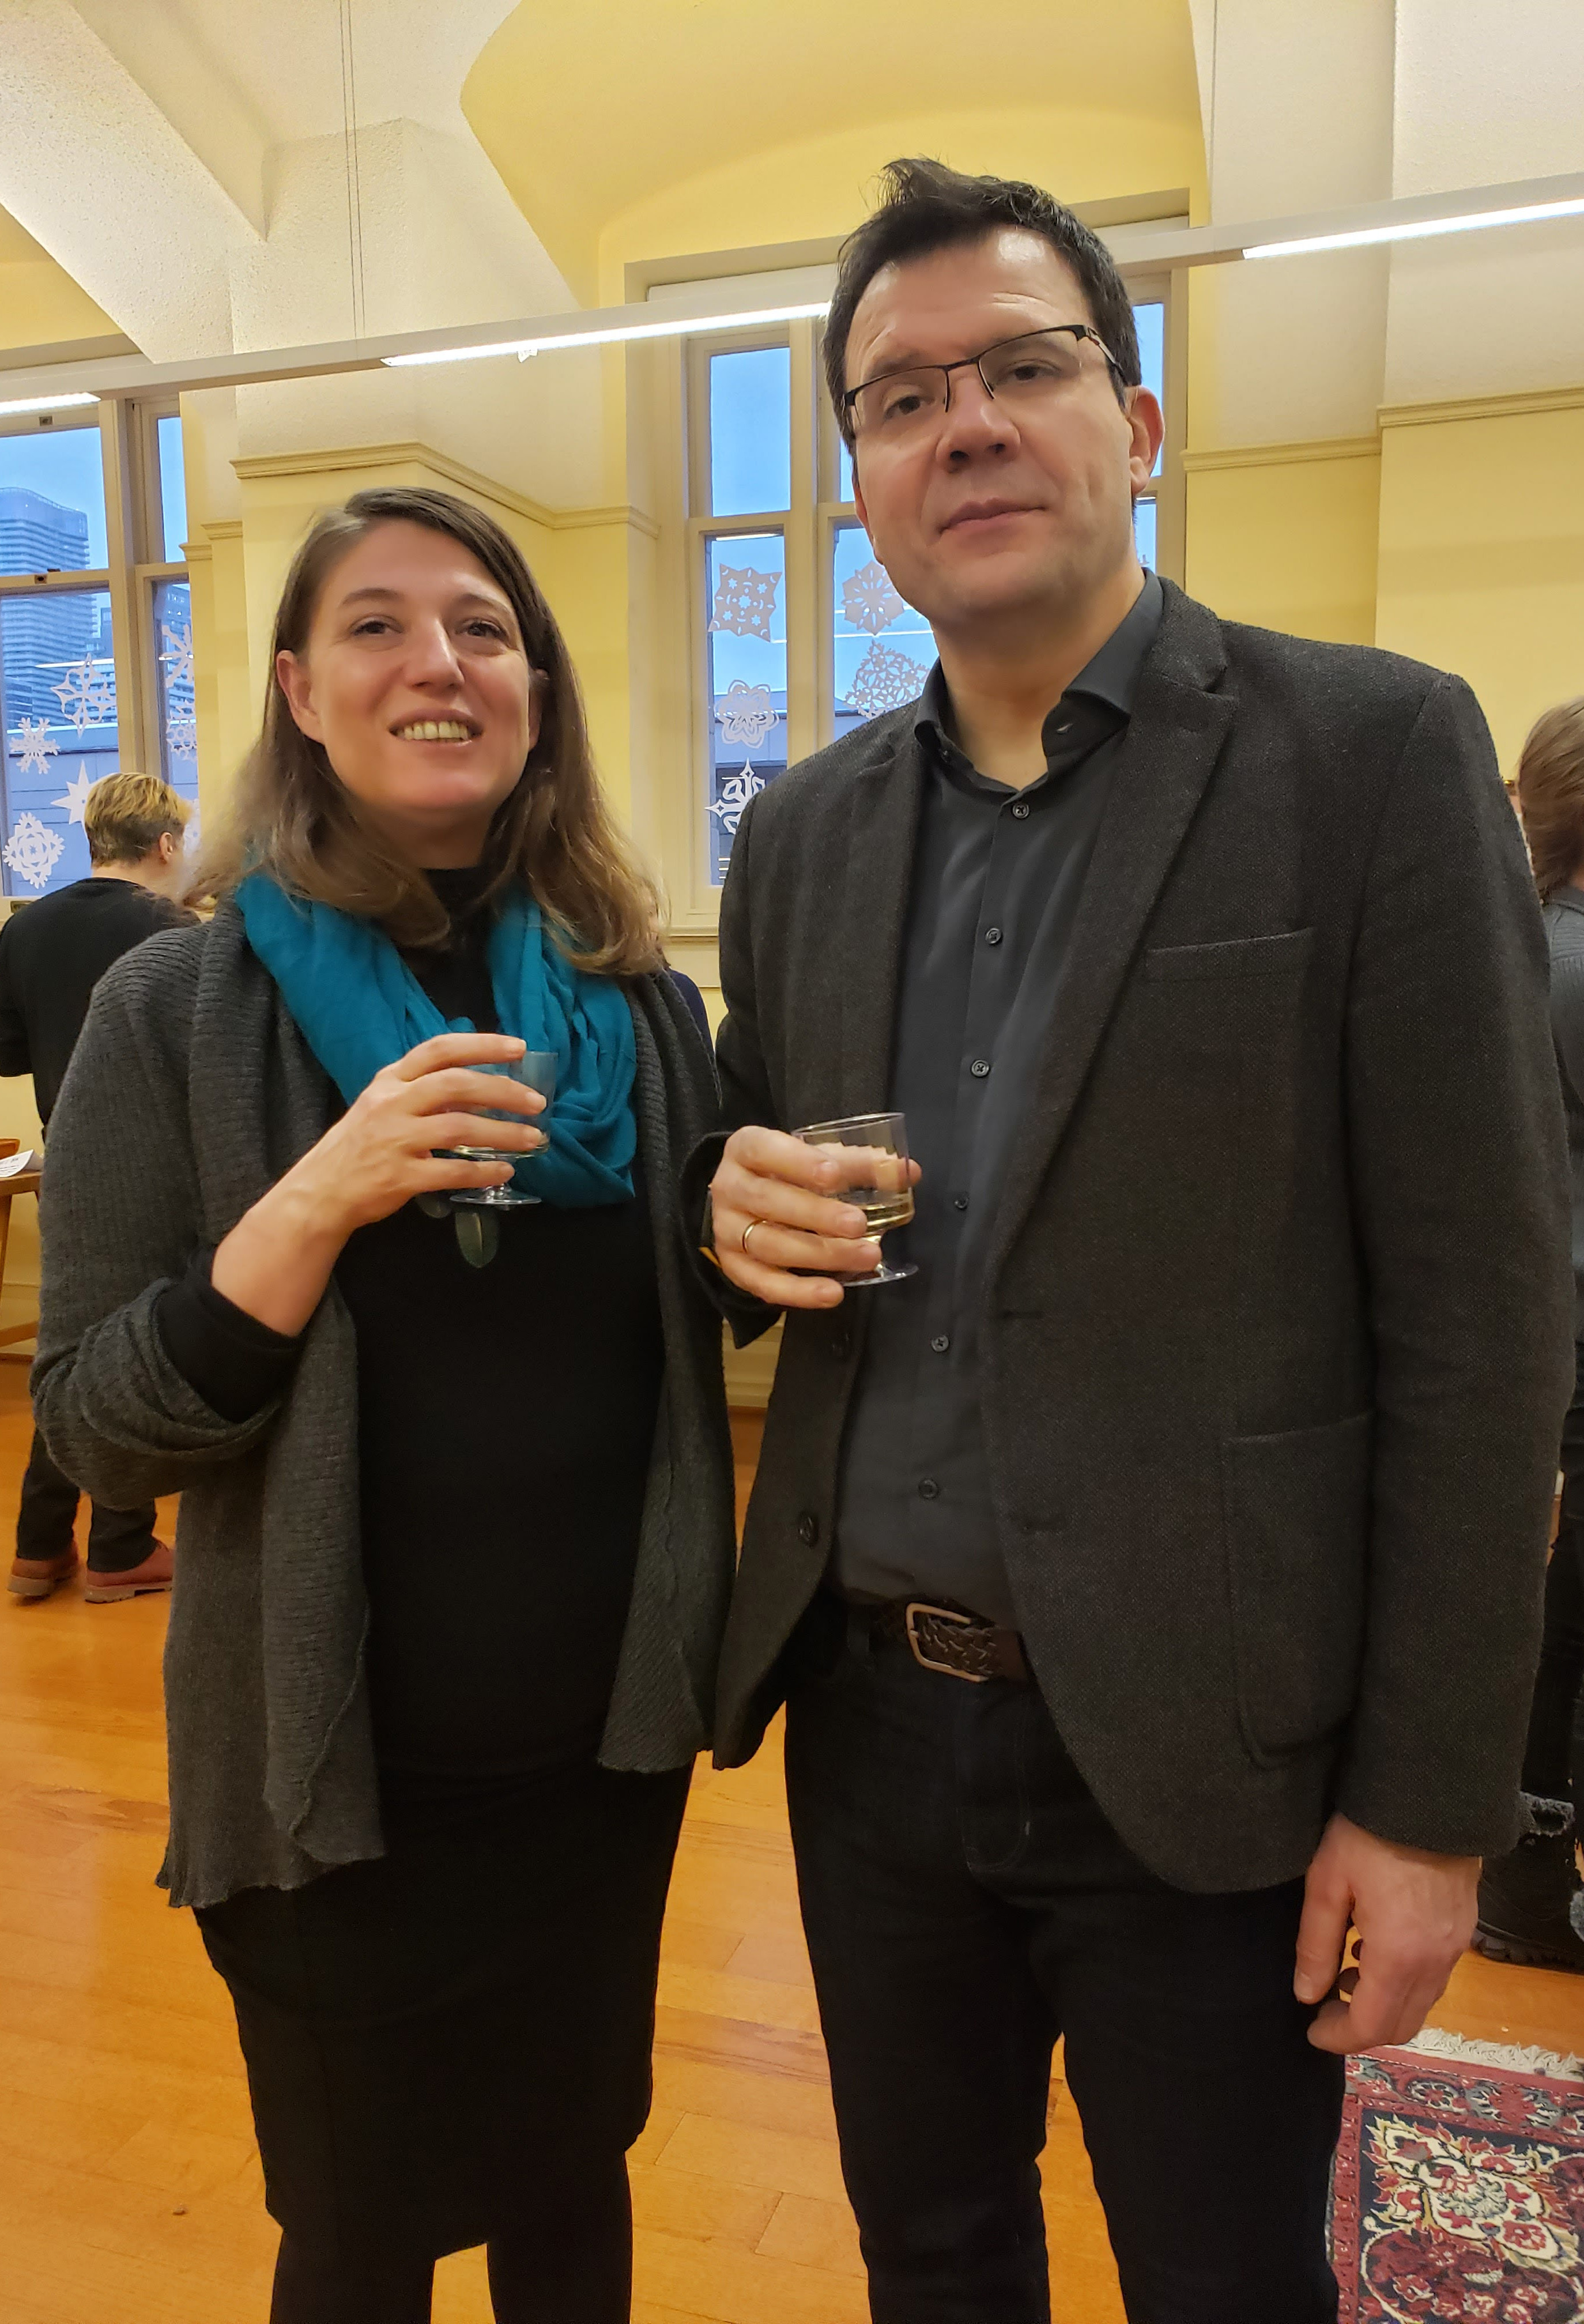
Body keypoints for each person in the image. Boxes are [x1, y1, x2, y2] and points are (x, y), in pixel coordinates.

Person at [693, 159, 1574, 2324]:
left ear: (1135, 420)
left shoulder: (1362, 754)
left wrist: (1428, 1805)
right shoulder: (799, 835)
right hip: (871, 1728)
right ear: (858, 487)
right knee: (932, 2251)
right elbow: (760, 1216)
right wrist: (726, 1211)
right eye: (898, 399)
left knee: (1218, 2275)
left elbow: (1484, 1318)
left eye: (1018, 366)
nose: (961, 423)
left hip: (1215, 1743)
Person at [33, 486, 736, 2324]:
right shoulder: (172, 1014)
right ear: (301, 691)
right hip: (330, 1774)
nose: (440, 661)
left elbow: (678, 1331)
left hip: (600, 1759)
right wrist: (314, 1199)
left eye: (485, 629)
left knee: (573, 2182)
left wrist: (766, 1226)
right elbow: (99, 1430)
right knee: (359, 2231)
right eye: (379, 625)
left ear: (535, 692)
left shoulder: (635, 1011)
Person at [2, 770, 194, 1604]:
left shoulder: (26, 927)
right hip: (157, 1164)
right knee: (133, 1348)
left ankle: (40, 1547)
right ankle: (119, 1548)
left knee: (71, 1348)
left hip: (66, 1154)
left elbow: (7, 1052)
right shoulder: (176, 933)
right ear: (165, 845)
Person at [1476, 695, 1584, 1973]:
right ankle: (1529, 1879)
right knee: (1561, 1623)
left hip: (1542, 1331)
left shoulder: (1524, 944)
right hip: (1566, 1339)